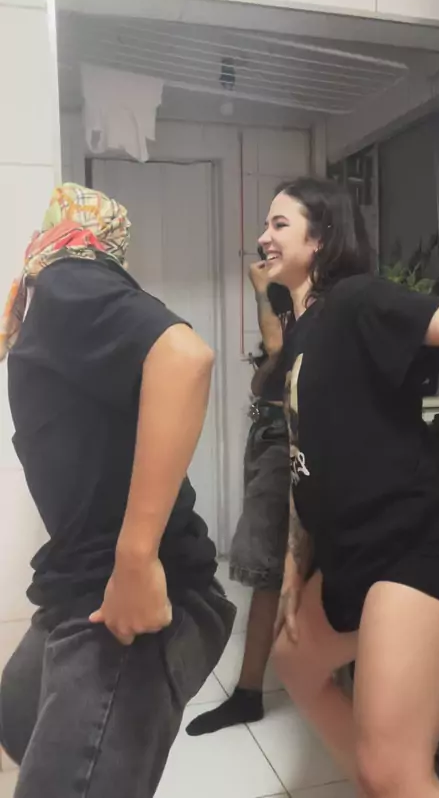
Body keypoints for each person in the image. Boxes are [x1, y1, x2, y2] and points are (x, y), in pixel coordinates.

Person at [0, 183, 235, 798]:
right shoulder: (61, 295)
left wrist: (135, 561)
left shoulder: (68, 278)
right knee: (16, 719)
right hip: (78, 580)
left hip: (127, 598)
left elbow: (185, 356)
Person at [256, 176, 439, 798]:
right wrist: (295, 567)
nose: (263, 237)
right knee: (295, 664)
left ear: (321, 238)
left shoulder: (354, 300)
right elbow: (305, 458)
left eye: (279, 224)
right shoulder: (303, 332)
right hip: (354, 550)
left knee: (392, 771)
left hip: (419, 540)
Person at [187, 258, 293, 735]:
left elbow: (278, 347)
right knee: (272, 566)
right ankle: (258, 688)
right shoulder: (291, 293)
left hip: (286, 440)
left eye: (279, 225)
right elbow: (271, 365)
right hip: (270, 433)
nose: (266, 240)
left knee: (265, 564)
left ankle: (251, 692)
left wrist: (260, 288)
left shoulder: (314, 295)